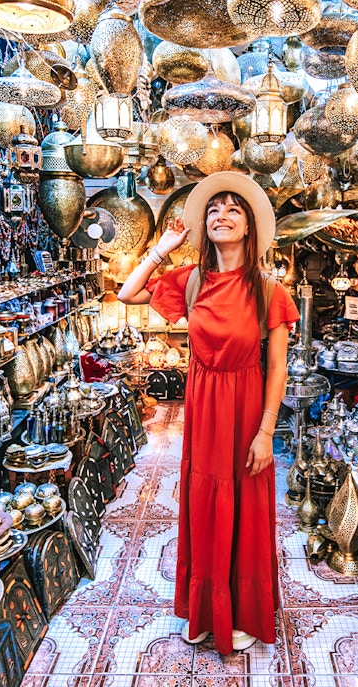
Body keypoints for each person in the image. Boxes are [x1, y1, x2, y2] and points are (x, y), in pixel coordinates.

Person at [117, 172, 299, 654]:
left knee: (244, 506)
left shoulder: (269, 291)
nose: (222, 215)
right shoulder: (190, 280)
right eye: (214, 209)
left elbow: (277, 368)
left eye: (233, 210)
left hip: (246, 412)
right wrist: (165, 247)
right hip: (204, 410)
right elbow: (127, 293)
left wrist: (266, 432)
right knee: (204, 503)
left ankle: (239, 613)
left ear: (249, 227)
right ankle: (204, 611)